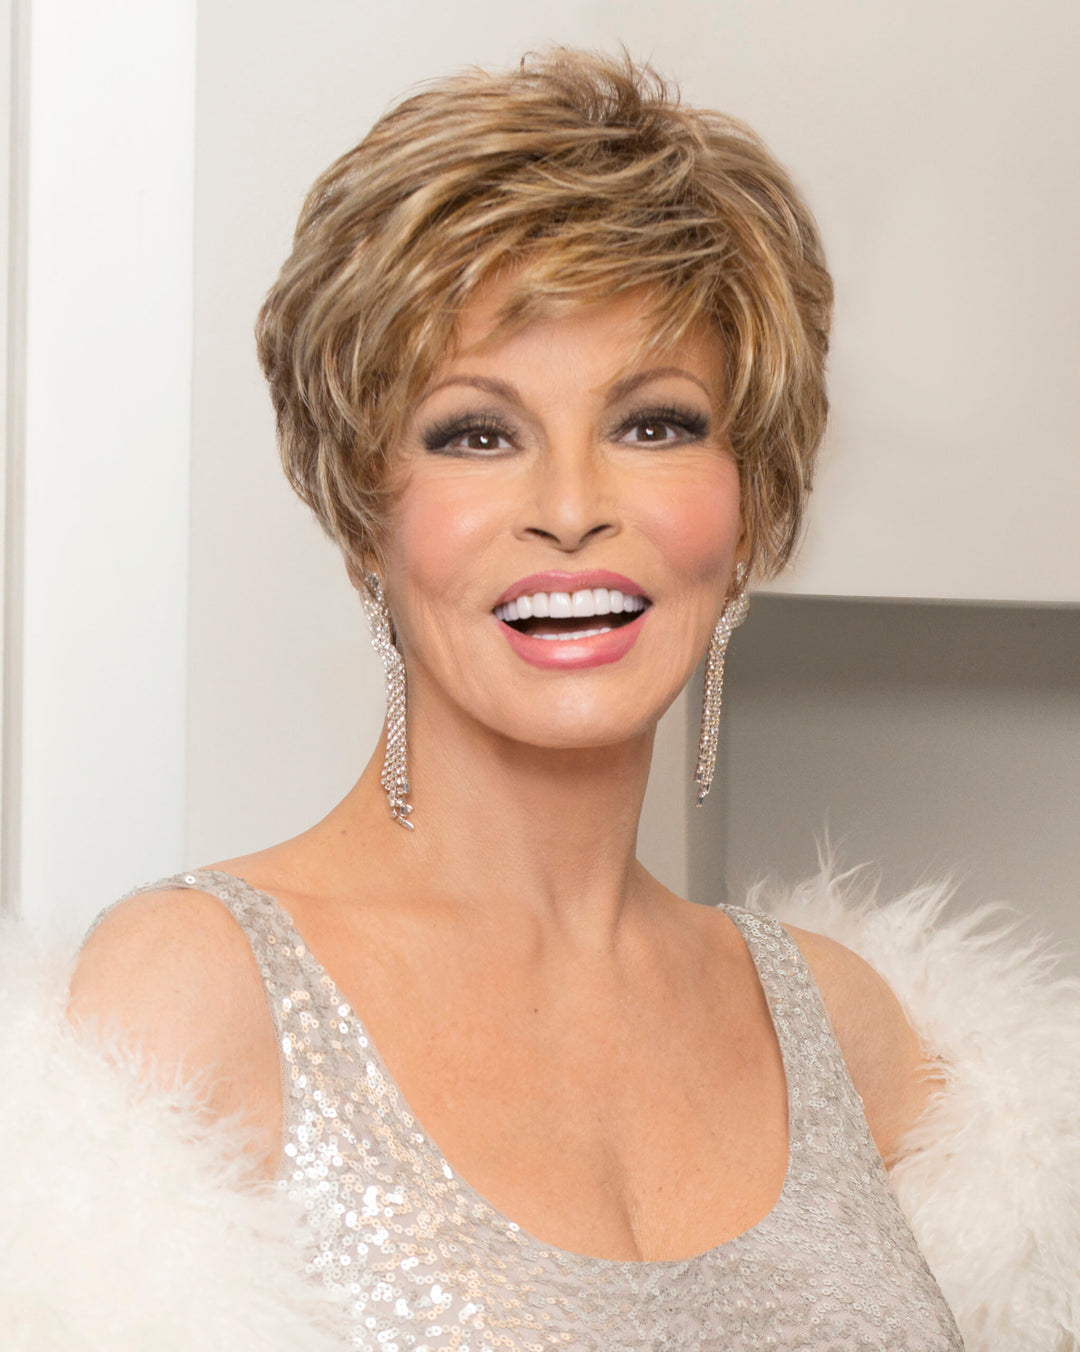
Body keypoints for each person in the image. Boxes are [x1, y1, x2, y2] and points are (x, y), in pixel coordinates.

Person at [9, 47, 1074, 1352]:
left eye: (654, 424)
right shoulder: (193, 1001)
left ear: (750, 507)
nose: (572, 509)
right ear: (363, 514)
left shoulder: (863, 1040)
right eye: (478, 433)